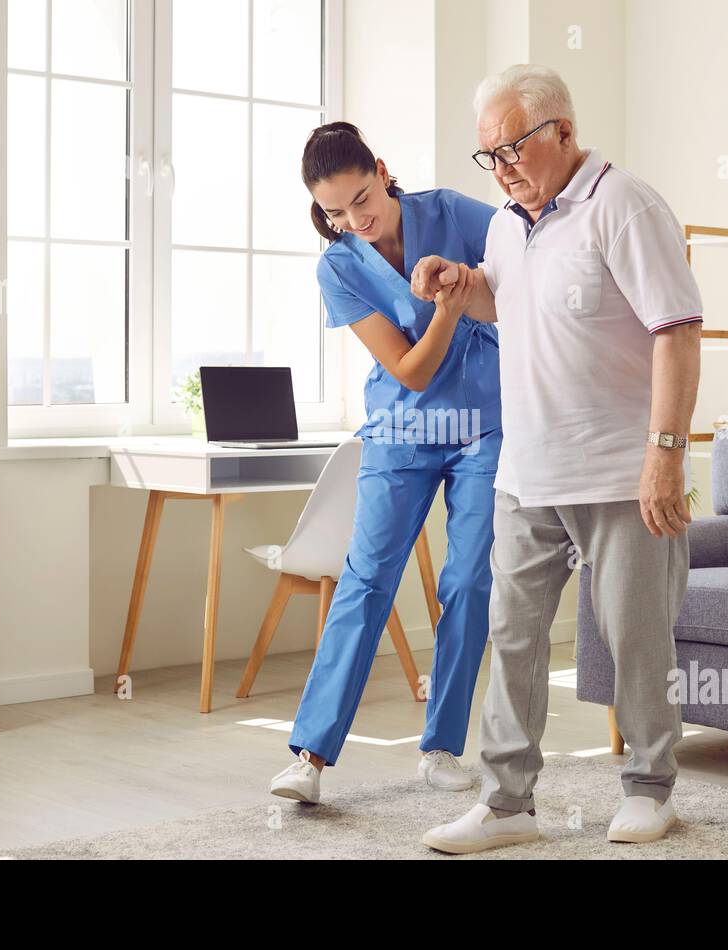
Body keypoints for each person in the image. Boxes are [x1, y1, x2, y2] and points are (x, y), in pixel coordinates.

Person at [413, 65, 704, 853]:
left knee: (635, 635)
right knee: (512, 634)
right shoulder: (507, 224)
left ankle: (651, 787)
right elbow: (509, 303)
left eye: (512, 148)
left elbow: (676, 331)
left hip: (620, 469)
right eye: (488, 155)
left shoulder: (626, 205)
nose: (501, 167)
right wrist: (460, 284)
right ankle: (508, 804)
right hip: (527, 471)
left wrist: (665, 458)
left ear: (563, 133)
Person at [269, 123, 502, 804]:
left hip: (484, 427)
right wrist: (450, 312)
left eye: (362, 198)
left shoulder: (454, 212)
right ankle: (309, 758)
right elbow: (409, 368)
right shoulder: (339, 265)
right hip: (401, 429)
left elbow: (529, 254)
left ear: (382, 169)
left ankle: (440, 748)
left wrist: (472, 286)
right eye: (337, 212)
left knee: (466, 583)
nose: (356, 220)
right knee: (367, 581)